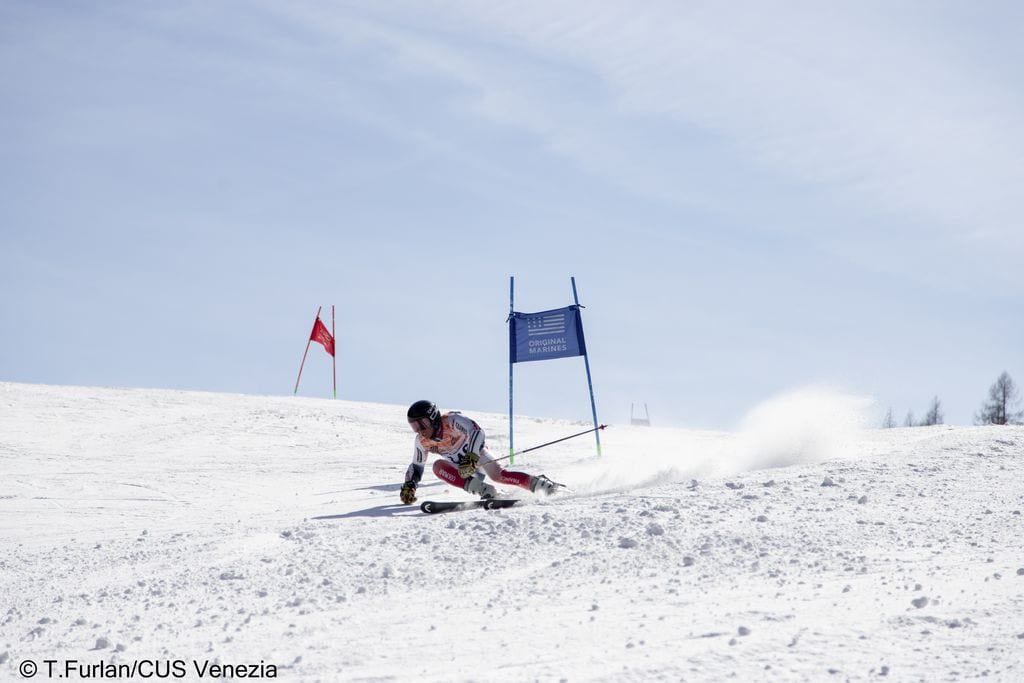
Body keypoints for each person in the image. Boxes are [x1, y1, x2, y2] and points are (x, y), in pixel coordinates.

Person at [399, 399, 560, 505]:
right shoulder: (422, 441)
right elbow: (417, 466)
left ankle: (540, 484)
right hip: (461, 469)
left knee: (499, 476)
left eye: (422, 424)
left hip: (477, 456)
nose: (419, 430)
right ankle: (485, 490)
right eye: (415, 426)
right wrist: (410, 485)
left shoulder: (452, 421)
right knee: (438, 466)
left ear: (433, 418)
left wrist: (471, 456)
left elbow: (477, 432)